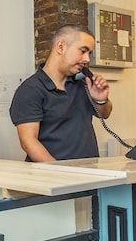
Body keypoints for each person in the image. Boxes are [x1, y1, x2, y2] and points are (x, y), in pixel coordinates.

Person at [9, 24, 113, 161]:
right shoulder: (30, 90)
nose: (87, 59)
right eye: (83, 51)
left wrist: (101, 100)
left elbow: (105, 114)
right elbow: (28, 142)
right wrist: (59, 171)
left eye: (89, 53)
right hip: (53, 173)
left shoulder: (84, 79)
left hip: (89, 170)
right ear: (61, 47)